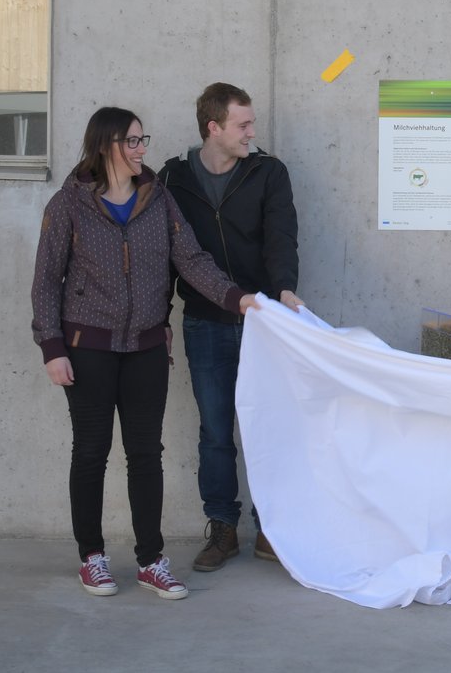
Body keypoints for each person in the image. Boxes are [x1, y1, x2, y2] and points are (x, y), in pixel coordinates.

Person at [31, 106, 260, 600]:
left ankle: (151, 560)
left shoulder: (159, 200)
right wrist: (52, 347)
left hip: (147, 349)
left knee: (145, 456)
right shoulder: (68, 204)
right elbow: (47, 281)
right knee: (91, 453)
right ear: (106, 145)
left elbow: (192, 259)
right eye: (132, 141)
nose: (141, 149)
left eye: (142, 140)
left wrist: (237, 298)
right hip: (86, 347)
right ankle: (91, 557)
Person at [158, 82, 302, 573]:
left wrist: (283, 290)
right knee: (216, 430)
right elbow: (162, 255)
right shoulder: (173, 179)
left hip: (264, 322)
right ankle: (222, 529)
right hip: (206, 321)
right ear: (213, 127)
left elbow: (282, 238)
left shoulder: (268, 172)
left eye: (252, 123)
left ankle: (270, 530)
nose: (252, 132)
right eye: (243, 124)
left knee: (268, 427)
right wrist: (160, 320)